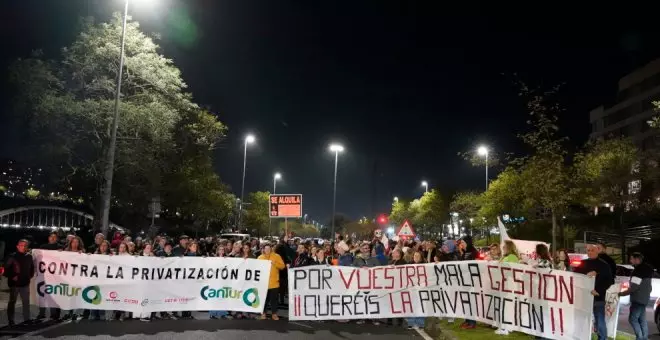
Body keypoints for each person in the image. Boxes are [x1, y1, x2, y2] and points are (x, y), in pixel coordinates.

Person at [574, 244, 613, 340]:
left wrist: (598, 290)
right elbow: (574, 277)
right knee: (581, 319)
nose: (590, 252)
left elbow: (609, 281)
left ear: (597, 251)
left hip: (598, 297)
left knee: (599, 320)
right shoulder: (581, 263)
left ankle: (603, 338)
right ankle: (581, 337)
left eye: (592, 250)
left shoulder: (604, 265)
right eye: (588, 250)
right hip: (583, 297)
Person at [618, 252, 652, 340]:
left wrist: (621, 293)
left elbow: (634, 287)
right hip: (644, 299)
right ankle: (644, 338)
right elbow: (649, 287)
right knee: (642, 319)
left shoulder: (638, 271)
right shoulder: (647, 270)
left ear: (637, 260)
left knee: (632, 319)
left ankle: (640, 338)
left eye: (632, 258)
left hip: (638, 299)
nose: (630, 260)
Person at [4, 239, 35, 326]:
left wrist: (30, 276)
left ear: (27, 247)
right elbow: (4, 270)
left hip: (25, 283)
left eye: (25, 246)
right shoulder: (12, 256)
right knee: (12, 302)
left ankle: (27, 319)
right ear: (17, 246)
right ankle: (11, 320)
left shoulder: (29, 256)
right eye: (21, 245)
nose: (23, 247)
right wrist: (13, 276)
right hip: (14, 284)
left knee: (26, 302)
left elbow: (32, 268)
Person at [36, 232, 62, 321]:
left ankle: (53, 314)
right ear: (48, 238)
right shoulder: (43, 246)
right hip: (43, 274)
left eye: (55, 237)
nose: (53, 238)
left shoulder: (60, 248)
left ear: (57, 239)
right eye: (51, 237)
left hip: (55, 275)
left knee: (53, 294)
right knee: (42, 294)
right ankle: (41, 313)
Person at [257, 244, 286, 320]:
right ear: (263, 249)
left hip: (274, 283)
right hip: (264, 283)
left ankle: (274, 314)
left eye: (268, 249)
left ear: (271, 249)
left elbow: (282, 266)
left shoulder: (276, 256)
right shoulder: (260, 257)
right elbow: (256, 269)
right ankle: (263, 313)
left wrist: (274, 263)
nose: (267, 250)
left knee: (274, 300)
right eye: (265, 249)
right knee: (264, 300)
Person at [405, 251, 426, 330]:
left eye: (418, 256)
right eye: (415, 255)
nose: (416, 257)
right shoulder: (409, 265)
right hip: (412, 288)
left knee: (421, 305)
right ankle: (411, 322)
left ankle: (420, 323)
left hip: (422, 288)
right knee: (412, 305)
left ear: (421, 257)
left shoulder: (425, 265)